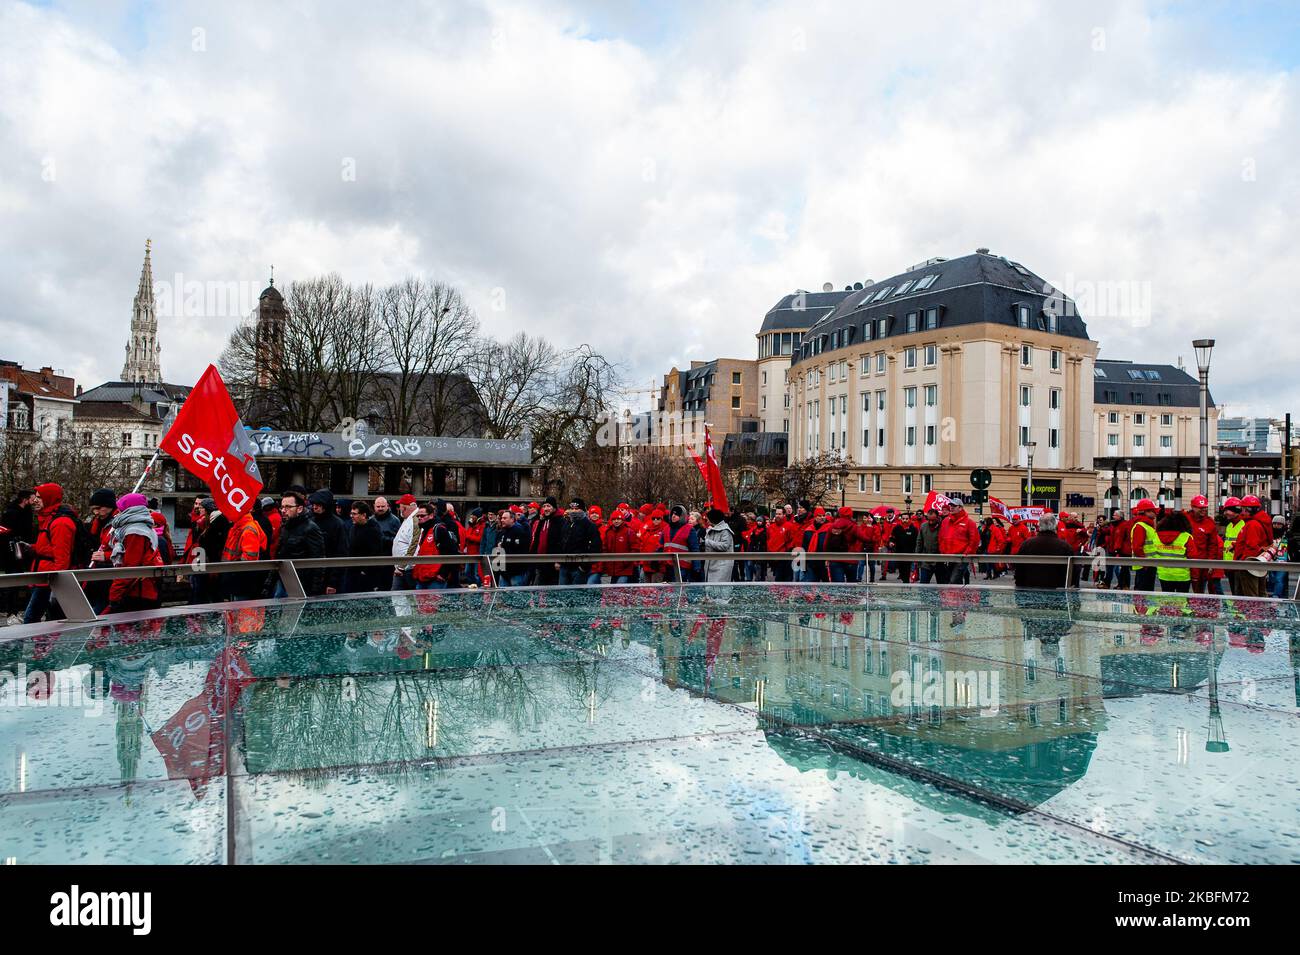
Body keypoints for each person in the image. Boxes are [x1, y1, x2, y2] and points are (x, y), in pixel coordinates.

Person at [22, 483, 80, 624]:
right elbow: (50, 547)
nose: (34, 500)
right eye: (35, 497)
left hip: (49, 580)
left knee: (31, 619)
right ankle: (41, 646)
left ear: (49, 498)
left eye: (39, 497)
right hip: (43, 577)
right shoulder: (48, 519)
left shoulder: (60, 523)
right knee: (43, 620)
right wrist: (33, 548)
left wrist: (55, 586)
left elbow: (62, 558)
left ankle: (36, 645)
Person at [104, 492, 165, 613]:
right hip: (140, 589)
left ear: (130, 511)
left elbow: (130, 566)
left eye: (121, 510)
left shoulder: (135, 531)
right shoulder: (144, 527)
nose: (118, 513)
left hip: (137, 592)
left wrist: (115, 594)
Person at [275, 491, 325, 597]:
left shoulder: (310, 528)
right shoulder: (285, 527)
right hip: (283, 579)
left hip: (301, 584)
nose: (283, 511)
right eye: (282, 507)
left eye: (288, 507)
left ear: (300, 509)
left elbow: (318, 560)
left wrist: (314, 591)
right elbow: (279, 554)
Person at [2, 489, 39, 621]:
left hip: (25, 549)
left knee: (27, 580)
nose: (35, 501)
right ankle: (11, 611)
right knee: (13, 580)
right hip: (12, 551)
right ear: (25, 499)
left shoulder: (27, 512)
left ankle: (21, 610)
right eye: (33, 498)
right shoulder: (11, 513)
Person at [1014, 513, 1075, 589]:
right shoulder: (1065, 546)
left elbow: (1019, 570)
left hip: (1030, 591)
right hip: (1057, 592)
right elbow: (1073, 571)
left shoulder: (1026, 544)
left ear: (1039, 526)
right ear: (1055, 526)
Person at [222, 503, 269, 601]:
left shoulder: (248, 530)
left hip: (241, 581)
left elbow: (249, 560)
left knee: (242, 612)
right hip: (235, 578)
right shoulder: (239, 527)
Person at [1231, 495, 1273, 598]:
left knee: (1250, 596)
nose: (1241, 512)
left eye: (1243, 509)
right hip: (1258, 564)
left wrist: (1242, 562)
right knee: (1260, 593)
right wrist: (1237, 545)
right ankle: (1262, 613)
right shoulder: (1261, 521)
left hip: (1249, 566)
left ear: (1248, 509)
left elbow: (1251, 546)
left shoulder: (1252, 524)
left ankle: (1253, 614)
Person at [84, 487, 118, 615]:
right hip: (96, 572)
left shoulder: (117, 523)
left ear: (109, 506)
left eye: (98, 508)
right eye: (93, 509)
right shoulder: (97, 523)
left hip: (109, 573)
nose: (95, 512)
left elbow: (124, 551)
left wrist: (107, 556)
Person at [413, 500, 461, 589]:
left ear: (431, 515)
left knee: (433, 602)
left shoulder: (439, 529)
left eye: (422, 516)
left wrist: (443, 574)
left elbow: (452, 552)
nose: (419, 518)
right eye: (418, 516)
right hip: (423, 578)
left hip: (435, 579)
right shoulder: (425, 531)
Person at [309, 489, 349, 595]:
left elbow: (341, 554)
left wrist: (333, 582)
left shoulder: (337, 525)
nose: (314, 507)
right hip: (312, 575)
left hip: (329, 576)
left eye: (318, 504)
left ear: (325, 505)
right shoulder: (310, 522)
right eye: (313, 504)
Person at [1184, 494, 1224, 595]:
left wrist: (1210, 563)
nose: (1204, 510)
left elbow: (1213, 545)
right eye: (1201, 508)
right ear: (1193, 507)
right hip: (1185, 562)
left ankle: (1198, 609)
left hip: (1201, 563)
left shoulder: (1209, 522)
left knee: (1199, 591)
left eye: (1205, 507)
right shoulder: (1185, 519)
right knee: (1182, 590)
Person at [345, 500, 386, 592]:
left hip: (366, 575)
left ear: (364, 515)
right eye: (351, 513)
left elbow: (375, 553)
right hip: (353, 571)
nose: (351, 516)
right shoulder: (353, 528)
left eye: (355, 514)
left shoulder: (373, 530)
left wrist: (365, 571)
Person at [1151, 510, 1193, 593]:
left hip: (1164, 574)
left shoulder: (1156, 536)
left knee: (1167, 601)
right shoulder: (1186, 537)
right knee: (1182, 601)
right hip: (1182, 575)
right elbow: (1193, 556)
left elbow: (1154, 553)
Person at [938, 502, 980, 585]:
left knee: (953, 581)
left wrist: (966, 553)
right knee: (951, 581)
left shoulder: (969, 522)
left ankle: (954, 597)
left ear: (960, 508)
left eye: (954, 506)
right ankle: (958, 597)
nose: (951, 508)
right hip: (948, 557)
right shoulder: (946, 521)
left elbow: (974, 540)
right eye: (951, 506)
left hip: (962, 558)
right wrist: (942, 550)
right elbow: (941, 537)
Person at [390, 494, 421, 590]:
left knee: (401, 598)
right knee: (400, 599)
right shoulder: (409, 519)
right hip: (403, 567)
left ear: (404, 507)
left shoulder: (415, 521)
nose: (399, 509)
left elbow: (415, 545)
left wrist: (402, 566)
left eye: (400, 506)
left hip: (407, 569)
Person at [1128, 499, 1159, 592]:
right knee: (1143, 592)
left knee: (1145, 592)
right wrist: (1145, 563)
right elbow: (1137, 548)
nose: (1155, 513)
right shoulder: (1141, 526)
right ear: (1146, 512)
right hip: (1145, 565)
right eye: (1153, 511)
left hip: (1148, 564)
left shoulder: (1146, 525)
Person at [825, 506, 857, 583]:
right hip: (851, 559)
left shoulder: (833, 526)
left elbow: (826, 543)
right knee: (851, 588)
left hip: (835, 558)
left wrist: (827, 557)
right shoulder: (854, 526)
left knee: (837, 586)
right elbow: (864, 539)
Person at [916, 509, 942, 583]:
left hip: (939, 560)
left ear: (937, 518)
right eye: (929, 519)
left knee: (942, 585)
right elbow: (919, 542)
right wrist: (917, 557)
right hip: (926, 560)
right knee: (923, 584)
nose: (930, 522)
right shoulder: (923, 526)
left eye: (933, 520)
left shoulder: (943, 526)